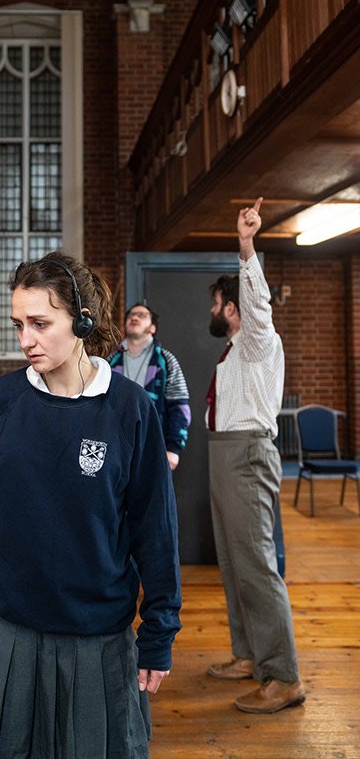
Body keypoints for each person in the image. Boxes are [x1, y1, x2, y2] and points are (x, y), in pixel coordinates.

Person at [0, 252, 181, 758]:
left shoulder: (131, 409)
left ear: (82, 321)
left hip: (99, 641)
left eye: (40, 324)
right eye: (19, 324)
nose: (25, 339)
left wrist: (159, 632)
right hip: (5, 633)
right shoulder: (2, 401)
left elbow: (156, 531)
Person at [205, 198, 304, 714]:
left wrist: (246, 245)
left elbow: (258, 303)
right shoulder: (235, 352)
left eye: (217, 303)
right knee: (234, 563)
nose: (212, 311)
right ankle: (250, 655)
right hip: (225, 457)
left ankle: (283, 676)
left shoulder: (258, 339)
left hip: (245, 457)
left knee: (258, 566)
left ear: (232, 307)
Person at [109, 304, 190, 470]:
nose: (134, 317)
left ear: (152, 328)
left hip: (154, 448)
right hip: (114, 448)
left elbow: (179, 406)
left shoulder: (166, 360)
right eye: (131, 315)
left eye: (142, 315)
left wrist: (173, 447)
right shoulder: (110, 361)